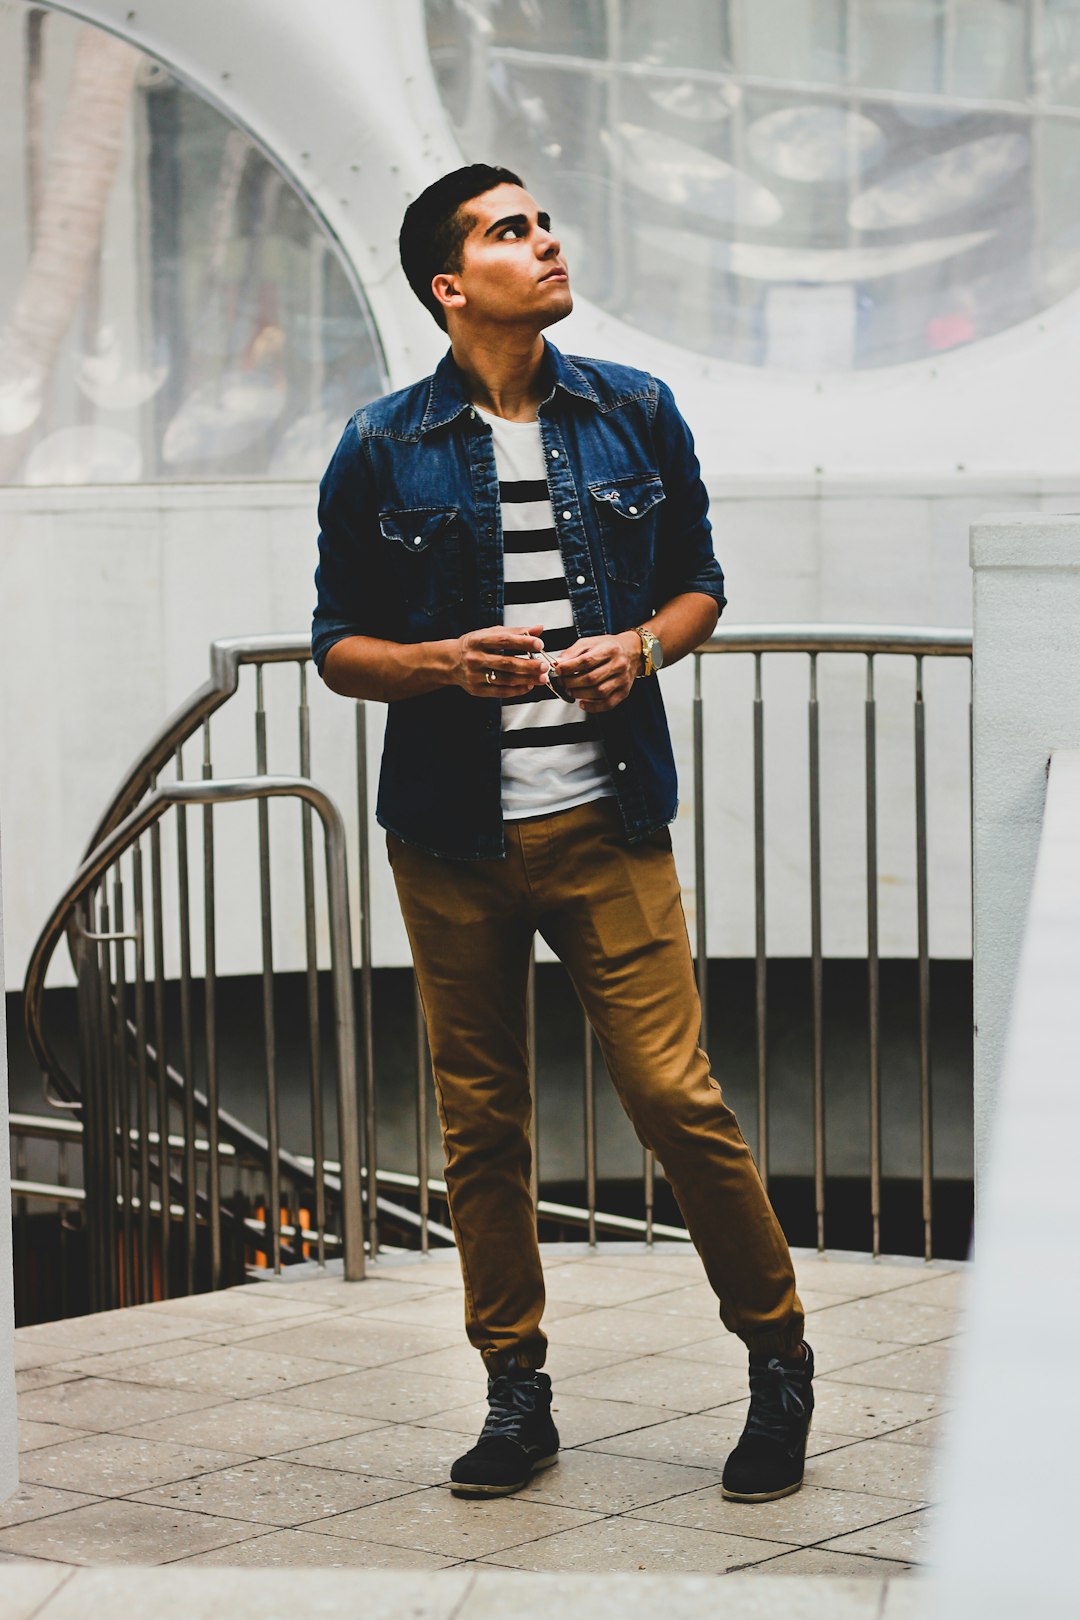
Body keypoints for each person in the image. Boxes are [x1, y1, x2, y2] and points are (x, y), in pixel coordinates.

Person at [312, 164, 813, 1504]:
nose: (542, 243)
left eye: (539, 223)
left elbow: (700, 583)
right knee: (483, 1124)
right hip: (449, 839)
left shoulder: (633, 415)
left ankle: (777, 1360)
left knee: (672, 1094)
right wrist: (436, 662)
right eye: (506, 232)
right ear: (447, 283)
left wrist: (639, 649)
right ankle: (515, 1395)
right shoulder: (380, 445)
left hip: (607, 823)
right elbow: (338, 648)